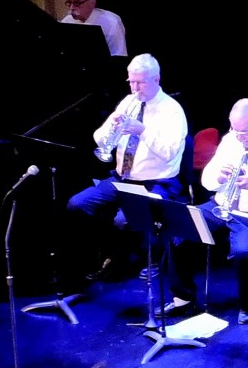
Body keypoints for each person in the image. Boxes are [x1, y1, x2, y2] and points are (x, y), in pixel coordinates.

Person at [161, 99, 248, 325]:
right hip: (221, 205)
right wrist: (219, 178)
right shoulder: (231, 139)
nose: (239, 137)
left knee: (244, 250)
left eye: (245, 132)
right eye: (235, 130)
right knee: (179, 227)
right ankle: (183, 296)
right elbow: (207, 181)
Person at [66, 53, 186, 280]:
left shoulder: (172, 110)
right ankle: (115, 255)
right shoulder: (128, 102)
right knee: (77, 204)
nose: (134, 88)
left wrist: (143, 131)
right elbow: (99, 138)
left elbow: (169, 153)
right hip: (122, 178)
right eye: (131, 81)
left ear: (156, 79)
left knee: (123, 220)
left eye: (140, 82)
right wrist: (110, 128)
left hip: (157, 181)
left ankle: (148, 257)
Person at [60, 0, 127, 56]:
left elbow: (119, 55)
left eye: (77, 3)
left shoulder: (112, 22)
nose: (71, 8)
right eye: (69, 3)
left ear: (92, 2)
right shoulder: (67, 20)